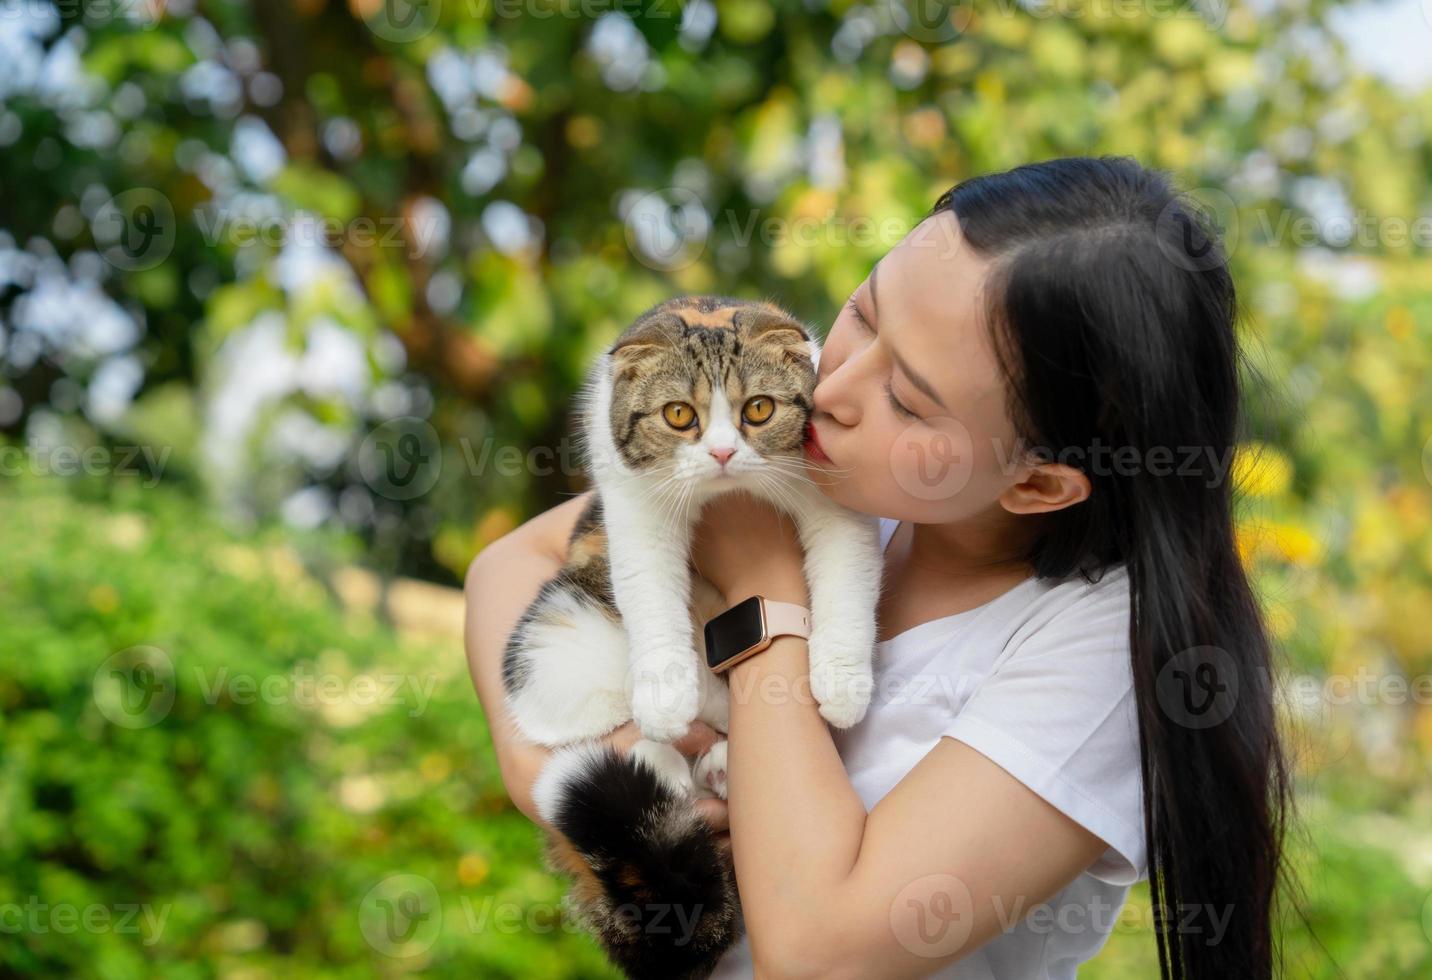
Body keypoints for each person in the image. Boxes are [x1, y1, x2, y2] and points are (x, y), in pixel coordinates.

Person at [465, 156, 1291, 979]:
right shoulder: (816, 461)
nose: (833, 389)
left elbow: (817, 953)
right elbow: (512, 562)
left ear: (1036, 480)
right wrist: (569, 764)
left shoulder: (1105, 651)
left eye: (908, 399)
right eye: (863, 312)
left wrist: (765, 592)